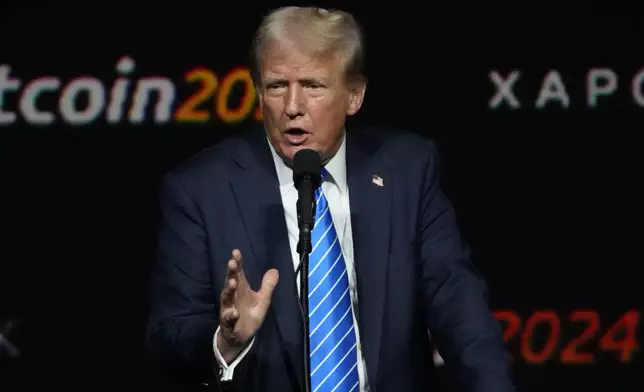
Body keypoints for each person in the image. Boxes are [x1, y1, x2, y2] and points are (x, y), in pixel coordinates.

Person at [146, 6, 515, 392]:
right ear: (258, 93)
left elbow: (461, 310)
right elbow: (169, 336)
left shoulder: (407, 169)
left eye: (313, 86)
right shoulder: (201, 189)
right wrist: (227, 341)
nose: (292, 106)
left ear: (354, 96)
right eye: (275, 86)